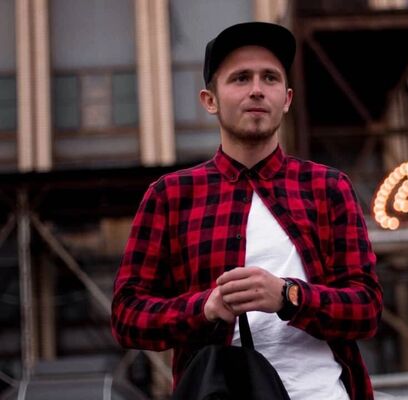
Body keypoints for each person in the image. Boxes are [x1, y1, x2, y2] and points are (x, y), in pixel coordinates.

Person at [111, 22, 383, 400]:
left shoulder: (328, 188)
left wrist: (288, 296)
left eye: (269, 78)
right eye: (240, 78)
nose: (257, 89)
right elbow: (127, 316)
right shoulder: (170, 196)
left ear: (286, 98)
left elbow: (367, 308)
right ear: (210, 100)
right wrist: (204, 307)